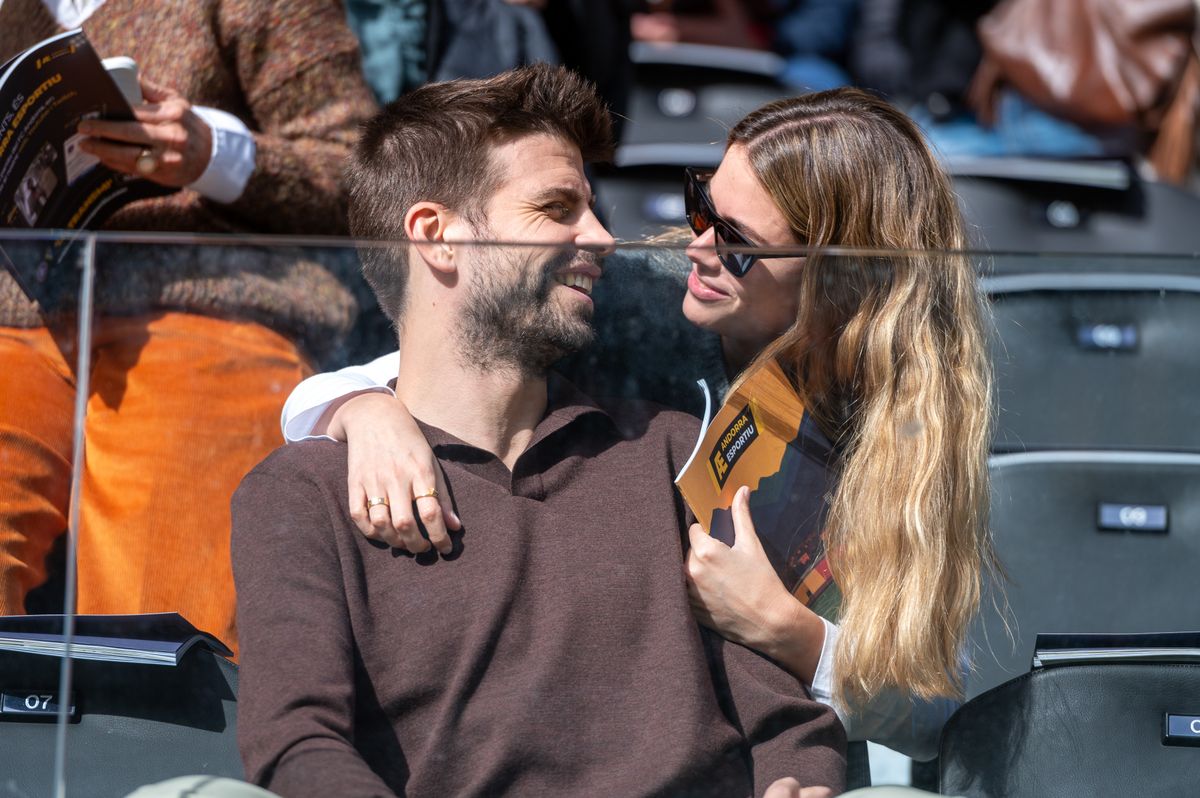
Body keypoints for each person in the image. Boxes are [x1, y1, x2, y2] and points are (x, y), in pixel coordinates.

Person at [282, 86, 996, 763]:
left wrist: (793, 635)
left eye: (738, 243)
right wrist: (362, 411)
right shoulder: (640, 306)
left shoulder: (904, 424)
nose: (699, 248)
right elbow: (404, 369)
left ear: (846, 277)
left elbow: (936, 712)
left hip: (774, 752)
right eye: (700, 207)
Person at [232, 64, 846, 797]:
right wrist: (358, 406)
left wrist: (798, 782)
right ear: (436, 236)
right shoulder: (304, 495)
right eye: (556, 207)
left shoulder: (675, 457)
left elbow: (788, 725)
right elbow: (296, 743)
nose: (601, 238)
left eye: (593, 208)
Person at [0, 0, 378, 656]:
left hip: (203, 311)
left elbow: (365, 177)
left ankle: (155, 760)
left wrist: (214, 154)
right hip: (13, 324)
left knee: (162, 597)